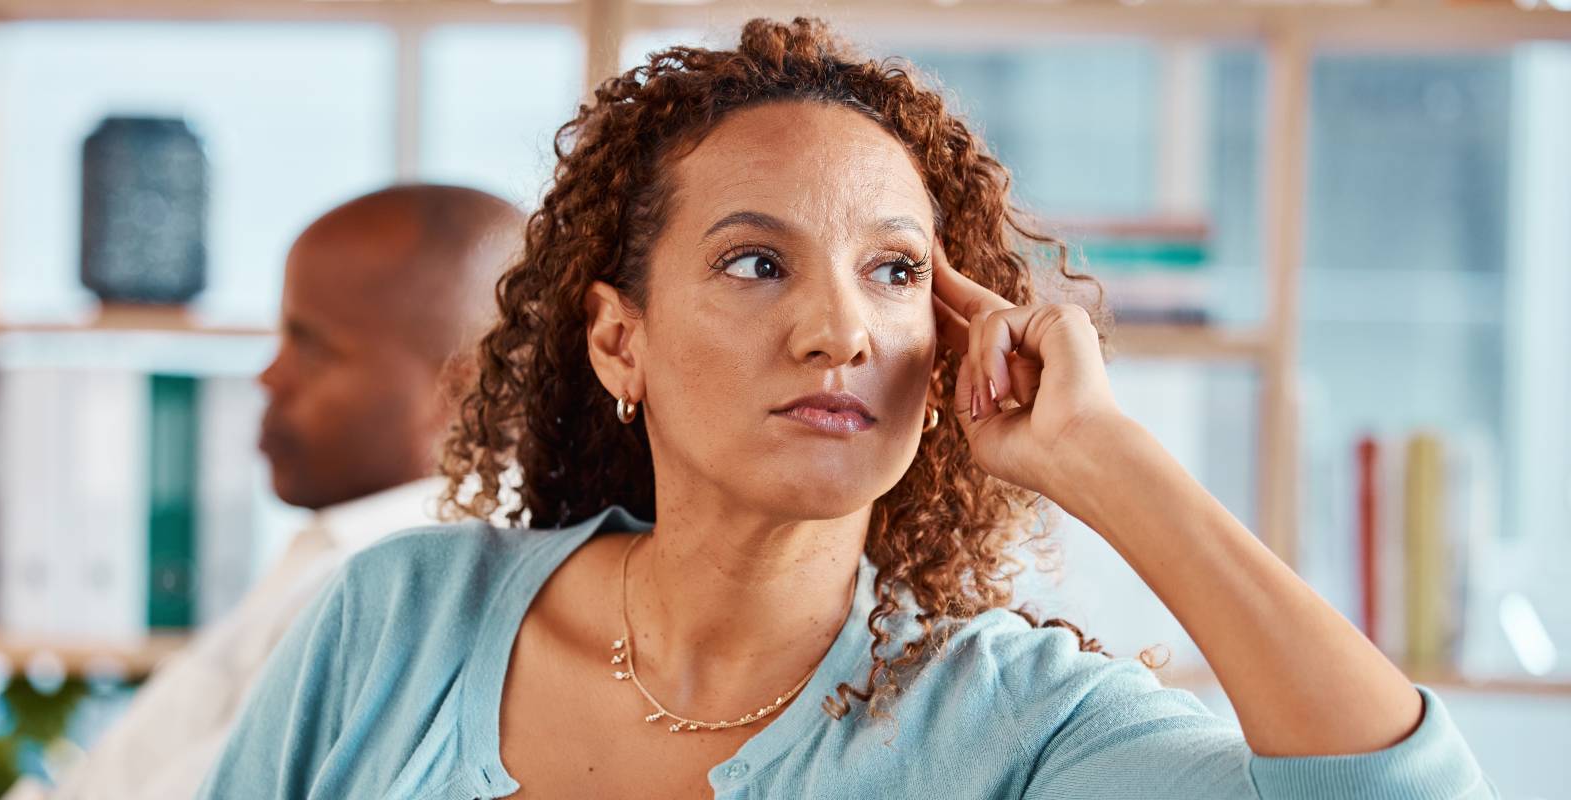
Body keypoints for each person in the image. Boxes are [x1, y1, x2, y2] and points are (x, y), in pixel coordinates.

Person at [198, 19, 1491, 799]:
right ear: (617, 338)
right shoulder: (403, 620)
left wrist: (1107, 458)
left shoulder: (1006, 719)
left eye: (892, 273)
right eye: (756, 263)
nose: (840, 330)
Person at [45, 184, 522, 800]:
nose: (270, 376)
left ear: (457, 390)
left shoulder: (395, 596)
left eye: (313, 349)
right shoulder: (335, 556)